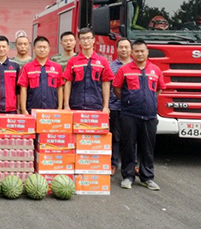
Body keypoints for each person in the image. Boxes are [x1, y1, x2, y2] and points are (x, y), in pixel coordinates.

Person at [113, 39, 165, 191]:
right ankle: (128, 176)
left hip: (149, 115)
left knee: (147, 147)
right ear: (132, 53)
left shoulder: (155, 70)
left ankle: (147, 177)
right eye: (136, 51)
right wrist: (129, 101)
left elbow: (159, 90)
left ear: (147, 52)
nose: (140, 53)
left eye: (142, 51)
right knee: (128, 146)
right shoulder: (124, 69)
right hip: (129, 114)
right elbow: (116, 89)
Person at [63, 28, 114, 112]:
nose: (86, 41)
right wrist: (66, 105)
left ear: (93, 40)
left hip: (96, 105)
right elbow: (68, 83)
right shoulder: (72, 61)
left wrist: (105, 106)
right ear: (79, 41)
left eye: (88, 38)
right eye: (83, 39)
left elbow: (106, 84)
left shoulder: (102, 61)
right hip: (76, 105)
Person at [18, 36, 64, 113]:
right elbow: (23, 89)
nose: (42, 50)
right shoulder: (27, 67)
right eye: (39, 47)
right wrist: (23, 109)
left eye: (44, 47)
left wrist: (59, 107)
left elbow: (59, 88)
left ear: (49, 49)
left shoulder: (57, 67)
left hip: (52, 109)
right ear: (34, 49)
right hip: (32, 110)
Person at [109, 38, 132, 176]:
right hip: (115, 106)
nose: (124, 50)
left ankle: (132, 164)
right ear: (117, 49)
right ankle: (113, 164)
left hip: (132, 109)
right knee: (115, 137)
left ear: (131, 50)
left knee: (131, 137)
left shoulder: (137, 66)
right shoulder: (111, 67)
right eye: (121, 47)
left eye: (126, 47)